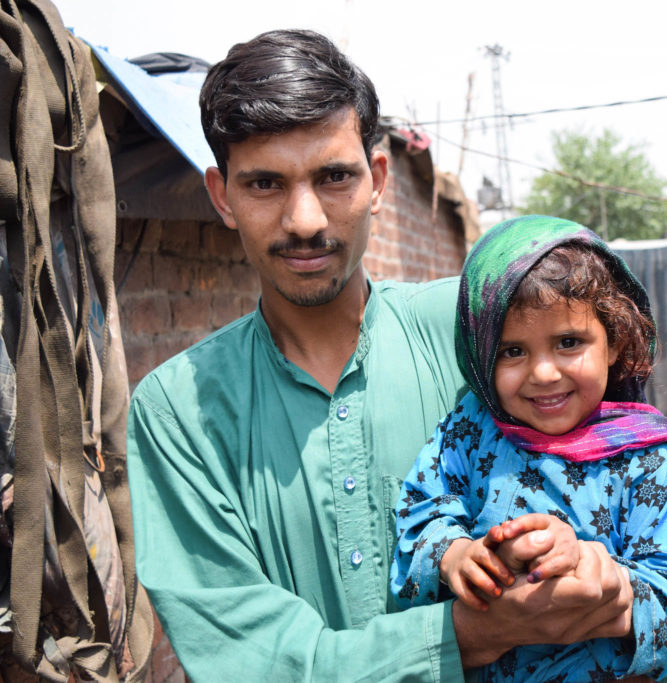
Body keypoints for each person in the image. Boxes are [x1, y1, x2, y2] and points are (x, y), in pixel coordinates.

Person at [126, 30, 635, 681]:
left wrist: (603, 570)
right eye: (265, 184)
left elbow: (631, 499)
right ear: (222, 196)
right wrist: (463, 634)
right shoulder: (178, 412)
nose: (305, 218)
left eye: (334, 176)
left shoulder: (479, 335)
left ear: (379, 179)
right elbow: (256, 664)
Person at [391, 215, 667, 682]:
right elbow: (421, 508)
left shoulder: (651, 460)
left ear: (612, 341)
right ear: (481, 355)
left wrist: (603, 579)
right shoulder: (470, 431)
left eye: (569, 342)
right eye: (512, 351)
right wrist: (457, 555)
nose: (543, 373)